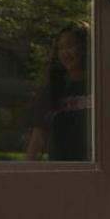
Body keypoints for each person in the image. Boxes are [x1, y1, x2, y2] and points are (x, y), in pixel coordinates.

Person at [25, 22, 92, 161]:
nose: (64, 53)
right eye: (60, 48)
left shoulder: (100, 85)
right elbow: (38, 134)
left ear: (85, 47)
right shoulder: (54, 88)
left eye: (70, 46)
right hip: (60, 169)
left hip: (93, 170)